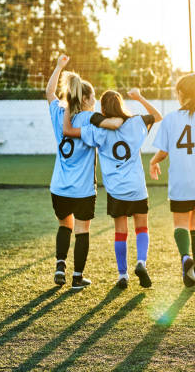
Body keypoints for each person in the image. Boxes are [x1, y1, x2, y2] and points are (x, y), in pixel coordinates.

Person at [63, 88, 162, 289]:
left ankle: (122, 275)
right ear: (121, 105)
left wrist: (68, 107)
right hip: (136, 187)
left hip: (116, 190)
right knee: (142, 227)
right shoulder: (136, 122)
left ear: (104, 109)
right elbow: (158, 116)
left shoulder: (99, 130)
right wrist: (139, 97)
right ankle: (141, 262)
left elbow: (69, 131)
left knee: (120, 231)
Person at [46, 54, 122, 290]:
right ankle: (77, 278)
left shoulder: (59, 112)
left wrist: (59, 67)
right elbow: (115, 123)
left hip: (59, 186)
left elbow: (50, 92)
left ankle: (60, 266)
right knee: (82, 230)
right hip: (82, 189)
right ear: (87, 98)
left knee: (64, 226)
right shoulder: (91, 118)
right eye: (94, 97)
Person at [149, 74, 195, 287]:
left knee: (180, 224)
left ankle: (184, 257)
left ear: (180, 94)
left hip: (180, 182)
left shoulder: (170, 119)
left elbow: (163, 151)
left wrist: (153, 162)